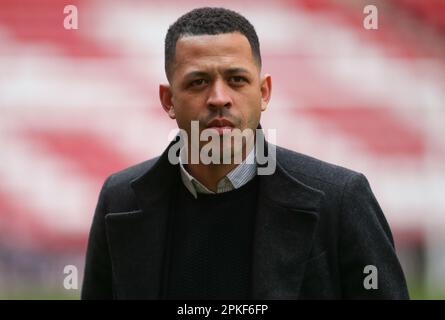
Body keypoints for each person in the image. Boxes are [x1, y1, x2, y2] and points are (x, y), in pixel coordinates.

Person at [81, 7, 409, 300]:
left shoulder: (340, 199)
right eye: (198, 82)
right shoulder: (120, 200)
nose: (219, 98)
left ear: (263, 92)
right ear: (168, 100)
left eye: (237, 79)